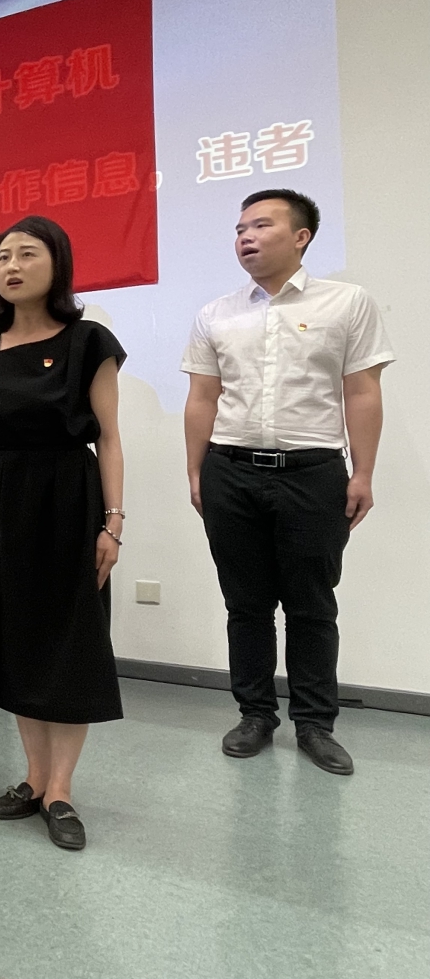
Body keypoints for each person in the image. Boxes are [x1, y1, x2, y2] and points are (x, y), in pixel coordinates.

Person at [182, 189, 392, 777]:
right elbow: (202, 397)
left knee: (311, 605)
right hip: (230, 471)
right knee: (245, 604)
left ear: (301, 237)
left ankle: (315, 724)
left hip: (314, 473)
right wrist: (196, 471)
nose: (245, 237)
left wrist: (364, 472)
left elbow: (362, 391)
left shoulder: (346, 303)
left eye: (260, 225)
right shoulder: (216, 313)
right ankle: (255, 714)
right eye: (239, 229)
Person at [0, 216, 125, 852]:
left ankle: (61, 790)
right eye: (3, 257)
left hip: (69, 499)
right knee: (20, 640)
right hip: (2, 501)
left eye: (27, 254)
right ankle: (31, 778)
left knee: (69, 640)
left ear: (58, 264)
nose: (11, 266)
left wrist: (113, 522)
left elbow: (109, 439)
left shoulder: (89, 341)